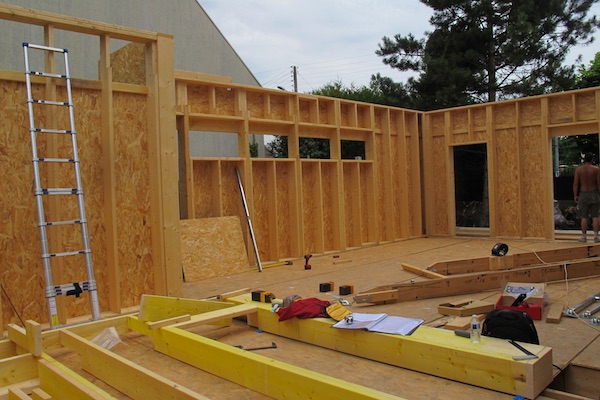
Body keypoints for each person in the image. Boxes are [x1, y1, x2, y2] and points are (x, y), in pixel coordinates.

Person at [573, 152, 600, 242]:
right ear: (592, 159)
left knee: (584, 217)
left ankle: (584, 236)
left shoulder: (579, 170)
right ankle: (596, 236)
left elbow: (576, 184)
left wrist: (575, 195)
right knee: (595, 216)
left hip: (583, 193)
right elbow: (599, 184)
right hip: (594, 193)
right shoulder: (596, 169)